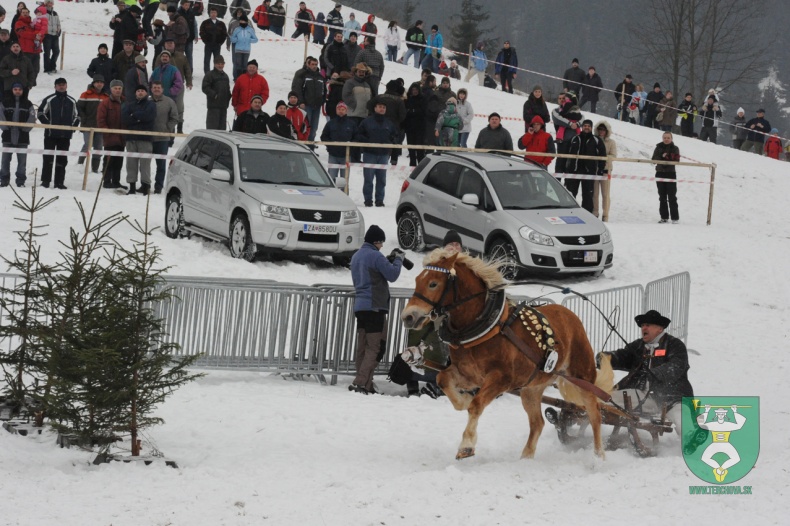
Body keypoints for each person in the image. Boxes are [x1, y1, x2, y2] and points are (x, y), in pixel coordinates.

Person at [598, 310, 693, 440]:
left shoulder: (674, 345)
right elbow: (623, 356)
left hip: (671, 398)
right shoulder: (638, 346)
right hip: (642, 396)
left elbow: (676, 366)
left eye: (648, 325)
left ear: (660, 328)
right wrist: (605, 358)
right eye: (642, 325)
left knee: (683, 422)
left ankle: (694, 442)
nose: (644, 328)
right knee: (605, 398)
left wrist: (655, 373)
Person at [401, 230, 463, 398]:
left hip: (452, 318)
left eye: (457, 244)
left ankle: (439, 384)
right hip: (432, 314)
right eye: (451, 244)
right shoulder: (436, 264)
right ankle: (414, 382)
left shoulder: (464, 265)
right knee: (421, 345)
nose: (454, 247)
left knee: (442, 351)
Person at [349, 224, 403, 394]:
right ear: (376, 241)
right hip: (374, 307)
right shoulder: (375, 256)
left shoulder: (356, 256)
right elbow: (392, 275)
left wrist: (387, 261)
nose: (382, 246)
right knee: (376, 347)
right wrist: (398, 259)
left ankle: (366, 384)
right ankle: (360, 383)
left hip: (360, 307)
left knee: (363, 347)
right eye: (381, 243)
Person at [37, 77, 78, 190]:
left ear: (66, 86)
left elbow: (77, 116)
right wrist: (48, 125)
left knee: (62, 160)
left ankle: (59, 182)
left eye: (63, 84)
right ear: (55, 86)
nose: (61, 86)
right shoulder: (49, 99)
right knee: (48, 158)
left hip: (65, 136)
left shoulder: (72, 101)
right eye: (59, 85)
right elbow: (40, 113)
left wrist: (72, 127)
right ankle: (45, 181)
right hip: (50, 135)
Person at [357, 101, 398, 207]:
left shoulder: (389, 123)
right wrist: (367, 142)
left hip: (384, 155)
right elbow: (359, 135)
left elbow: (395, 136)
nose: (382, 109)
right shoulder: (366, 122)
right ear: (375, 108)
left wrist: (390, 142)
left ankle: (379, 200)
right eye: (380, 107)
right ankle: (368, 200)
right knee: (368, 179)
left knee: (382, 179)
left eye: (384, 107)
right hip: (369, 154)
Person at [121, 84, 156, 195]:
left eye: (142, 90)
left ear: (146, 93)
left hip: (145, 139)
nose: (140, 92)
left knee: (145, 164)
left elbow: (148, 116)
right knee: (131, 163)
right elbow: (125, 118)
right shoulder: (129, 104)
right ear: (135, 93)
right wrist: (139, 118)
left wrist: (134, 115)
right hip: (131, 138)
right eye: (138, 90)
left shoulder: (151, 104)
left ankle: (146, 186)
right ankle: (132, 187)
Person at [565, 119, 606, 213]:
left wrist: (600, 170)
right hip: (574, 171)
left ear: (591, 128)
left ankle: (586, 214)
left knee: (587, 196)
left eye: (588, 126)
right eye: (585, 126)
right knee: (570, 194)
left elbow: (602, 156)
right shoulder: (574, 139)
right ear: (582, 127)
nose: (586, 127)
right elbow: (566, 155)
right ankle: (569, 213)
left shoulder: (596, 140)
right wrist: (566, 169)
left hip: (589, 172)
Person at [0, 82, 35, 188]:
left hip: (23, 137)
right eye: (15, 89)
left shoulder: (28, 104)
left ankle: (20, 181)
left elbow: (32, 117)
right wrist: (5, 128)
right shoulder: (5, 102)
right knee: (5, 161)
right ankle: (4, 180)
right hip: (7, 136)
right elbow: (0, 115)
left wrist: (25, 129)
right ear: (12, 90)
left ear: (23, 91)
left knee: (22, 162)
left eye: (19, 89)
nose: (17, 91)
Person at [366, 79, 406, 164]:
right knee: (394, 142)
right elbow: (403, 115)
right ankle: (394, 160)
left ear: (387, 87)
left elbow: (368, 105)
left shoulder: (379, 97)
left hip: (379, 123)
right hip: (394, 124)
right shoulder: (399, 100)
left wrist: (374, 114)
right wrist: (397, 121)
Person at [156, 39, 191, 133]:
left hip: (178, 86)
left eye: (171, 43)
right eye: (167, 43)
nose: (169, 45)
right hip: (164, 87)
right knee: (166, 107)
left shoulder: (181, 56)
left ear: (174, 44)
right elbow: (156, 71)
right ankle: (170, 128)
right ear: (164, 45)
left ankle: (180, 127)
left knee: (179, 107)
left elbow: (187, 69)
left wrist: (189, 81)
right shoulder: (160, 57)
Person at [149, 80, 178, 194]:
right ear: (151, 89)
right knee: (145, 163)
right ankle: (145, 184)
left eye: (158, 87)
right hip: (148, 138)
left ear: (162, 89)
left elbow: (174, 118)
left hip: (162, 139)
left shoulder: (169, 102)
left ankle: (158, 187)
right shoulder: (147, 101)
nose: (156, 89)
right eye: (154, 87)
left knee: (161, 165)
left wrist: (167, 129)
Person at [97, 79, 126, 190]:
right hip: (109, 137)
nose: (117, 90)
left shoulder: (125, 102)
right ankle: (106, 180)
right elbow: (101, 120)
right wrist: (107, 132)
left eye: (119, 88)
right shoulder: (105, 103)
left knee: (119, 161)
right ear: (111, 89)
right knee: (109, 160)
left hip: (122, 137)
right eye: (115, 88)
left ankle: (116, 181)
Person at [76, 75, 108, 174]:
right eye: (97, 82)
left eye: (101, 82)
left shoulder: (106, 96)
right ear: (93, 83)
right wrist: (83, 118)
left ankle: (95, 168)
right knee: (87, 144)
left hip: (100, 126)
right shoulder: (85, 94)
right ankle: (80, 164)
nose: (99, 84)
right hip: (88, 125)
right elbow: (79, 108)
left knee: (99, 147)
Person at [320, 101, 356, 181]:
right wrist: (330, 146)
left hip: (346, 155)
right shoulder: (330, 123)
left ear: (346, 111)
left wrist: (351, 148)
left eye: (343, 109)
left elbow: (356, 137)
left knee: (344, 181)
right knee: (331, 179)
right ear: (336, 110)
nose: (341, 111)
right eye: (339, 109)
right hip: (333, 155)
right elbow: (324, 136)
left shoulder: (352, 124)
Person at [652, 131, 680, 224]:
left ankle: (675, 218)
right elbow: (654, 159)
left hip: (670, 173)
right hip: (660, 173)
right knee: (662, 196)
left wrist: (667, 156)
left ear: (671, 139)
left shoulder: (675, 148)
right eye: (665, 138)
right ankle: (664, 217)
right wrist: (661, 156)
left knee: (672, 196)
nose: (666, 139)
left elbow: (677, 159)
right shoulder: (658, 147)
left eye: (668, 138)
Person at [552, 91, 582, 178]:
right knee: (560, 162)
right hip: (562, 140)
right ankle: (557, 182)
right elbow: (558, 119)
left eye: (563, 98)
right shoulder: (556, 111)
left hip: (574, 140)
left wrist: (577, 124)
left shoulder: (574, 109)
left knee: (571, 163)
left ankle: (569, 183)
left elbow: (582, 117)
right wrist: (570, 124)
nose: (562, 100)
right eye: (560, 98)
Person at [593, 120, 616, 222]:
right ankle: (595, 212)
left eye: (603, 129)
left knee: (605, 194)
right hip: (594, 169)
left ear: (607, 131)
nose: (601, 131)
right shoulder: (594, 140)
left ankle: (605, 214)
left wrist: (603, 157)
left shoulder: (611, 142)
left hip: (606, 170)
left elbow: (613, 155)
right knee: (595, 193)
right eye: (600, 129)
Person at [202, 54, 231, 130]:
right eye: (218, 64)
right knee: (212, 128)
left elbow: (228, 89)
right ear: (214, 64)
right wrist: (214, 95)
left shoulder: (225, 76)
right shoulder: (209, 75)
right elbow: (205, 87)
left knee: (222, 129)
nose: (220, 66)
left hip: (223, 107)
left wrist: (228, 97)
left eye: (222, 64)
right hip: (213, 106)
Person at [199, 6, 227, 75]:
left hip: (217, 45)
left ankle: (216, 73)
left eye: (214, 12)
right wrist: (206, 40)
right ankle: (207, 74)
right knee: (207, 60)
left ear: (217, 13)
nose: (213, 14)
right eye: (212, 12)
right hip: (208, 45)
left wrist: (220, 42)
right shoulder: (205, 23)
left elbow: (224, 34)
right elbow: (201, 32)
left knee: (217, 60)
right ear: (209, 13)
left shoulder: (221, 24)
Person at [229, 14, 256, 80]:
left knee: (244, 65)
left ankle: (244, 79)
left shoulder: (250, 30)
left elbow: (256, 39)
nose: (242, 22)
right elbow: (232, 38)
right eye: (241, 21)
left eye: (243, 21)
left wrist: (249, 40)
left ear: (246, 21)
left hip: (247, 50)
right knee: (238, 65)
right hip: (238, 49)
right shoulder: (237, 29)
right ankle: (238, 78)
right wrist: (236, 39)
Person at [404, 82, 425, 166]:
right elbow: (405, 112)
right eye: (413, 90)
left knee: (420, 150)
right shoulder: (407, 99)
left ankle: (420, 166)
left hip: (420, 128)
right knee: (411, 149)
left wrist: (413, 111)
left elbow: (423, 111)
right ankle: (412, 166)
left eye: (416, 89)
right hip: (409, 128)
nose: (415, 91)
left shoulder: (423, 99)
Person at [176, 0, 198, 70]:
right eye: (186, 5)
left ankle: (190, 71)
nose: (187, 6)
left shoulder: (191, 12)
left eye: (188, 5)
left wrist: (196, 35)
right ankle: (179, 71)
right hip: (180, 39)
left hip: (189, 39)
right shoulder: (177, 13)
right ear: (182, 5)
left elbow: (194, 25)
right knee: (179, 56)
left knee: (189, 56)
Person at [42, 0, 60, 75]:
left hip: (55, 35)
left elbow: (58, 23)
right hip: (47, 35)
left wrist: (59, 31)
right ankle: (47, 68)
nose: (50, 4)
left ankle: (53, 66)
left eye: (51, 3)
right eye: (48, 2)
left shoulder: (55, 13)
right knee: (47, 52)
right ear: (46, 3)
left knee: (56, 51)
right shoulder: (43, 12)